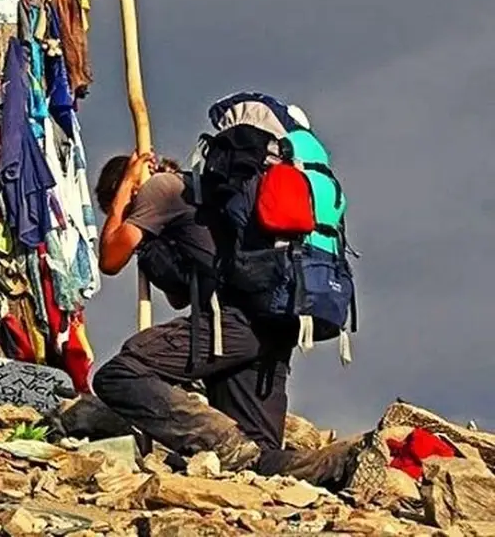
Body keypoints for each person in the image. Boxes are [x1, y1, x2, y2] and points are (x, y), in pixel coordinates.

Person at [89, 151, 389, 500]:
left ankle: (221, 441)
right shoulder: (201, 199)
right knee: (258, 459)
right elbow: (179, 297)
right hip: (270, 329)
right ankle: (344, 464)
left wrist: (126, 187)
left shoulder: (161, 188)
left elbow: (110, 258)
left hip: (233, 323)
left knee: (120, 374)